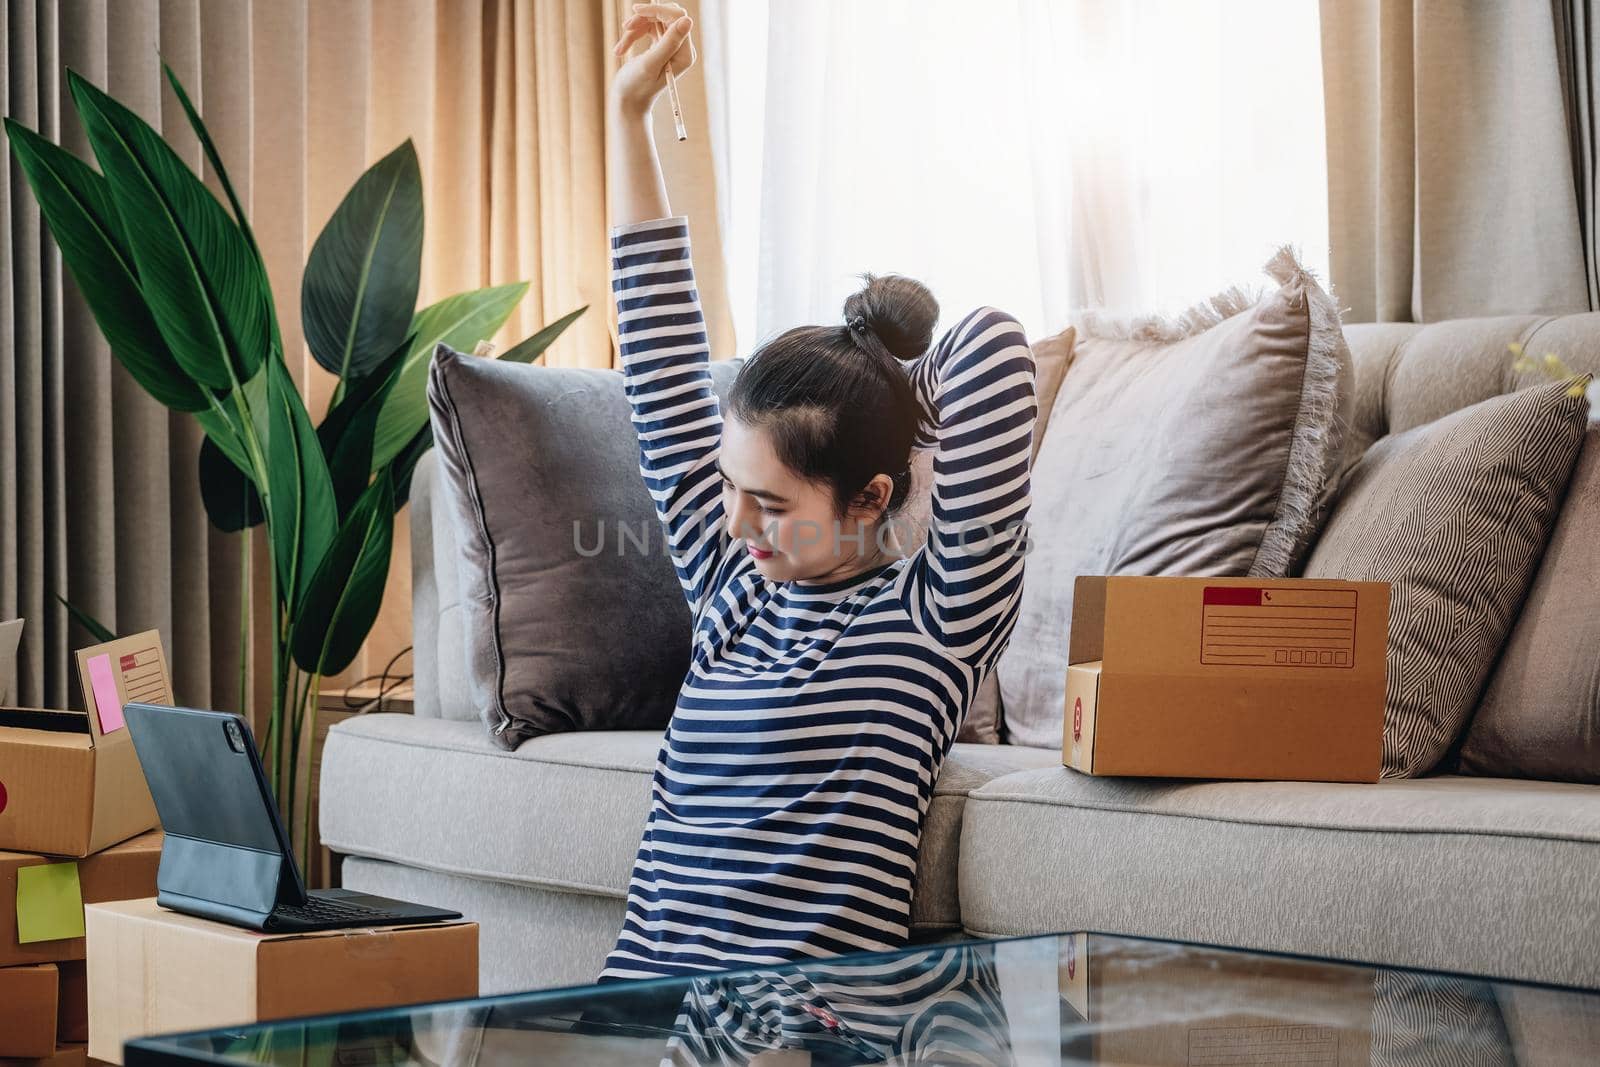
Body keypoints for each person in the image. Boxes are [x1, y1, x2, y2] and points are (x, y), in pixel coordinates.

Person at [588, 0, 1037, 1027]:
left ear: (872, 497)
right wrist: (629, 114)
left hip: (795, 1038)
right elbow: (658, 361)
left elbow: (995, 350)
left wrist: (884, 359)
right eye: (729, 485)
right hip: (635, 1012)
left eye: (769, 502)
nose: (735, 525)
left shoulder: (936, 617)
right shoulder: (731, 584)